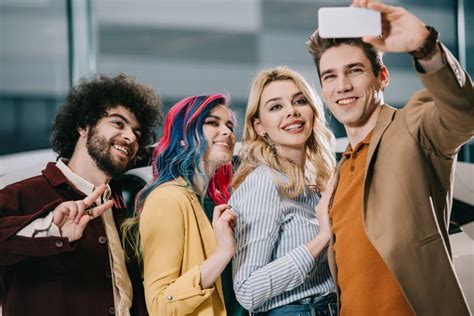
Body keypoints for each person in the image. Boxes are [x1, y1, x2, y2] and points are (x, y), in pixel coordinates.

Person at [306, 1, 474, 315]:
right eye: (330, 76)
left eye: (354, 70)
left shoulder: (413, 128)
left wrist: (425, 48)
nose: (342, 85)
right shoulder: (341, 169)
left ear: (382, 76)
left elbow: (463, 116)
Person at [0, 74, 162, 316]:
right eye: (118, 124)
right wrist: (48, 229)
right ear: (83, 126)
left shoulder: (120, 211)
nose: (130, 137)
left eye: (137, 134)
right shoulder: (23, 194)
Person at [124, 94, 245, 315]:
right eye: (212, 123)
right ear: (182, 138)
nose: (227, 132)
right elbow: (161, 305)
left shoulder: (217, 204)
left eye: (230, 125)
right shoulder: (167, 199)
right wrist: (222, 253)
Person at [230, 67, 337, 315]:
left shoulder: (316, 184)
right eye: (276, 107)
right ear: (259, 126)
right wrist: (321, 238)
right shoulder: (264, 183)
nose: (292, 111)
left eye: (299, 101)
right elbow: (248, 290)